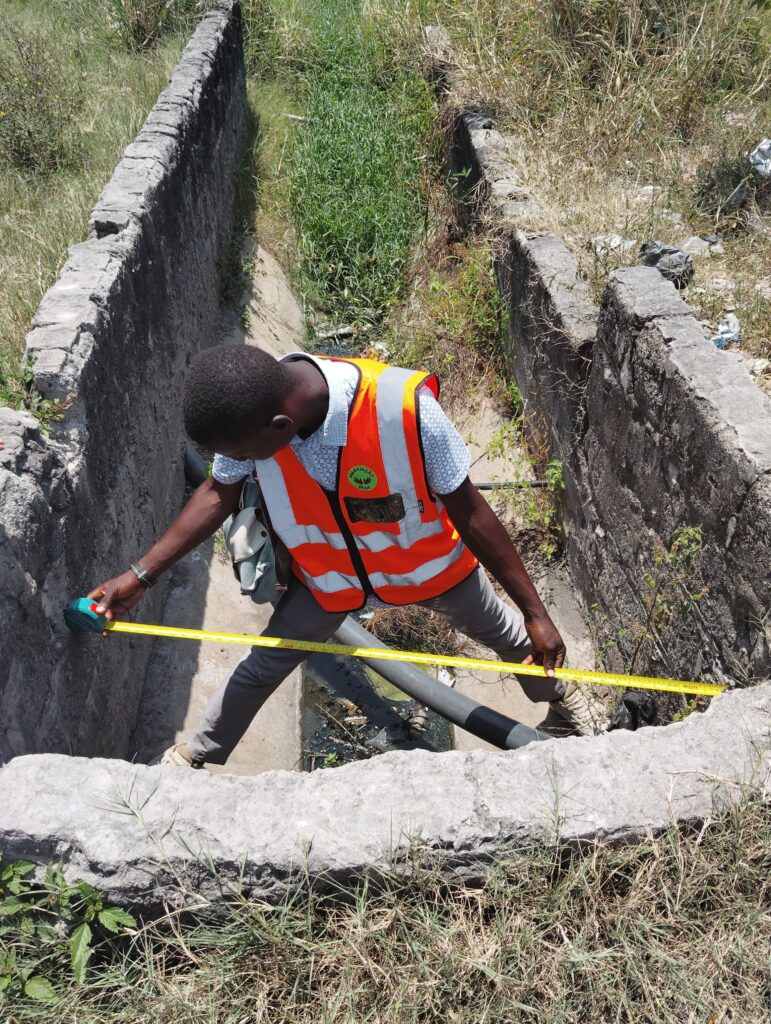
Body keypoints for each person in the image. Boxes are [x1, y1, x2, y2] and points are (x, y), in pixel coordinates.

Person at [89, 346, 607, 768]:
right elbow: (217, 491)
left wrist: (537, 612)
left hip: (432, 572)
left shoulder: (402, 410)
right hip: (331, 583)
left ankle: (566, 707)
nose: (241, 465)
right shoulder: (253, 414)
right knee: (261, 667)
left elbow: (472, 513)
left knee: (517, 642)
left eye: (247, 455)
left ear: (279, 425)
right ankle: (192, 761)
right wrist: (139, 576)